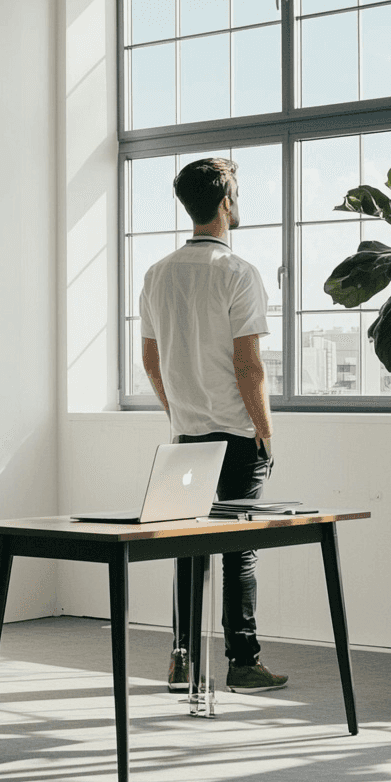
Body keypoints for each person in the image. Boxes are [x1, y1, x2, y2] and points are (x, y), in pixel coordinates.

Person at [139, 156, 288, 694]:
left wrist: (176, 411)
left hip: (185, 436)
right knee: (238, 550)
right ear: (226, 202)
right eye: (237, 193)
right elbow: (249, 366)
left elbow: (151, 361)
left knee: (187, 547)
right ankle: (243, 663)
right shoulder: (238, 273)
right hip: (237, 436)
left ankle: (181, 660)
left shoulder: (157, 274)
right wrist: (265, 431)